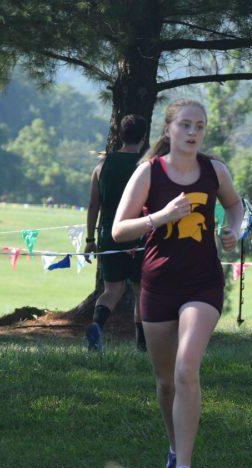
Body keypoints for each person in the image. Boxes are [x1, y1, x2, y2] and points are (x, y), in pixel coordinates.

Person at [112, 99, 243, 468]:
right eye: (185, 125)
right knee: (166, 381)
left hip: (203, 282)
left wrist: (233, 230)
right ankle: (173, 451)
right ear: (168, 130)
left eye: (199, 126)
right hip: (158, 283)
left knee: (187, 368)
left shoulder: (214, 170)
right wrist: (161, 217)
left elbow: (234, 206)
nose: (192, 132)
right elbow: (119, 231)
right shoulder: (148, 173)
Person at [84, 114, 148, 352]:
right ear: (144, 136)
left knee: (112, 290)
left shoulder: (101, 166)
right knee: (140, 289)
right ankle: (142, 345)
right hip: (139, 235)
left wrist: (90, 239)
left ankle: (97, 327)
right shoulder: (146, 167)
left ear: (119, 135)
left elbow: (93, 205)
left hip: (108, 234)